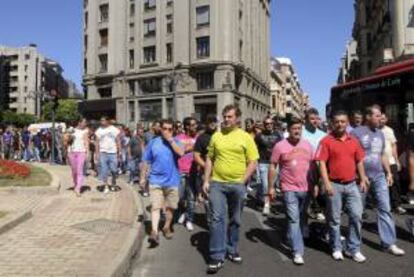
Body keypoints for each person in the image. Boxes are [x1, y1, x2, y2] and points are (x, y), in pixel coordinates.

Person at [203, 105, 259, 274]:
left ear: (237, 119)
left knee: (235, 219)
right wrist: (206, 180)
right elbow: (209, 159)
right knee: (217, 219)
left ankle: (232, 249)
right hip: (217, 184)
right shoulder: (216, 136)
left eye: (230, 116)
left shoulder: (246, 137)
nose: (226, 119)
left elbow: (253, 161)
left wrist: (242, 181)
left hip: (237, 185)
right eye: (224, 116)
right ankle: (217, 256)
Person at [351, 105, 405, 256]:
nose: (380, 118)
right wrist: (359, 176)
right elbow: (352, 156)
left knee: (385, 208)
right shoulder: (356, 133)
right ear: (368, 117)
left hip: (379, 176)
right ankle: (354, 245)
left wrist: (388, 172)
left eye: (381, 116)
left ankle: (389, 243)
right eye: (377, 116)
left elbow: (383, 155)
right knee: (357, 212)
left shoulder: (380, 134)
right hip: (361, 179)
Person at [315, 110, 368, 263]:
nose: (340, 124)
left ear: (347, 123)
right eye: (337, 121)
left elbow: (359, 161)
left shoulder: (354, 141)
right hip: (334, 185)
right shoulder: (326, 140)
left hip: (352, 184)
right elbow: (322, 163)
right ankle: (336, 247)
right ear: (332, 123)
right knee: (334, 219)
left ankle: (353, 249)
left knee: (356, 216)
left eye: (343, 121)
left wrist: (363, 178)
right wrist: (326, 183)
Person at [268, 117, 313, 265]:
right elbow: (273, 166)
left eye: (299, 128)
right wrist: (271, 187)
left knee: (300, 217)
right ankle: (298, 252)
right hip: (289, 188)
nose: (297, 131)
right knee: (294, 219)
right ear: (288, 130)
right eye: (294, 128)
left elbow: (313, 166)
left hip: (306, 188)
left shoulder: (307, 145)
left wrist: (316, 184)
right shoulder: (280, 146)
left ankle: (289, 236)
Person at [140, 119, 184, 247]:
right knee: (155, 207)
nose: (167, 131)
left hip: (172, 181)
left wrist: (170, 140)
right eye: (164, 128)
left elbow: (181, 153)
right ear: (160, 129)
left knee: (170, 208)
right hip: (155, 181)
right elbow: (145, 161)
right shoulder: (153, 143)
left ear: (173, 130)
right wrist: (143, 178)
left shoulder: (177, 142)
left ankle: (166, 227)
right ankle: (154, 232)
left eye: (170, 129)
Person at [302, 108, 326, 222]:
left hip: (318, 167)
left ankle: (317, 209)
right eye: (312, 119)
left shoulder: (323, 135)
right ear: (306, 120)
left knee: (319, 193)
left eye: (317, 118)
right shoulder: (300, 132)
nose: (315, 121)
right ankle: (304, 223)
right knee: (306, 195)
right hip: (303, 168)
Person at [193, 115, 218, 226]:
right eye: (210, 121)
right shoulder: (202, 138)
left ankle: (219, 220)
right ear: (206, 123)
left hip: (223, 174)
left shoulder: (222, 135)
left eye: (214, 121)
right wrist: (206, 166)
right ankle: (210, 222)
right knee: (208, 199)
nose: (212, 123)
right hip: (207, 174)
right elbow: (196, 156)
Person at [255, 116, 282, 215]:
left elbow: (281, 149)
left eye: (270, 123)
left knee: (272, 185)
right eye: (267, 124)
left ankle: (268, 203)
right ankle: (266, 205)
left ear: (273, 125)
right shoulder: (259, 136)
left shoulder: (278, 135)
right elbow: (254, 148)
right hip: (262, 162)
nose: (269, 125)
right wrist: (255, 161)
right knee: (265, 185)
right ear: (264, 125)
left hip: (274, 163)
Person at [380, 113, 406, 214]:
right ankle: (384, 205)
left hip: (391, 161)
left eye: (383, 119)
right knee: (382, 185)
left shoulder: (389, 130)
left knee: (395, 182)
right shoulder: (374, 131)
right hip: (379, 163)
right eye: (379, 118)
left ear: (386, 120)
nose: (381, 120)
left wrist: (397, 160)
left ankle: (397, 205)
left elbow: (394, 146)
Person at [176, 117, 198, 232]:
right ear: (187, 126)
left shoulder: (198, 138)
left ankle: (189, 219)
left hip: (193, 172)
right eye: (193, 125)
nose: (195, 127)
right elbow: (177, 151)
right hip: (180, 171)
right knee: (180, 197)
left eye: (196, 124)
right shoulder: (178, 138)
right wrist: (190, 148)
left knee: (191, 198)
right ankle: (182, 211)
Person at [95, 117, 121, 194]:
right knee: (104, 170)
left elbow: (118, 140)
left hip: (113, 152)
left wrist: (119, 151)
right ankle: (106, 186)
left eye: (103, 120)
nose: (101, 121)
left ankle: (113, 182)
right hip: (103, 152)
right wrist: (97, 154)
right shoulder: (99, 130)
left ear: (107, 121)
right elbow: (97, 142)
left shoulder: (113, 129)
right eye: (101, 120)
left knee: (114, 170)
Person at [66, 119, 89, 197]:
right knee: (74, 171)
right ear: (79, 123)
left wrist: (87, 152)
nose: (85, 124)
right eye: (84, 122)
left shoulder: (85, 131)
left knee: (79, 170)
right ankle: (76, 184)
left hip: (81, 152)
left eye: (85, 122)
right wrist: (69, 136)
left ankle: (78, 188)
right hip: (71, 152)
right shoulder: (71, 130)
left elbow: (86, 142)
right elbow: (65, 141)